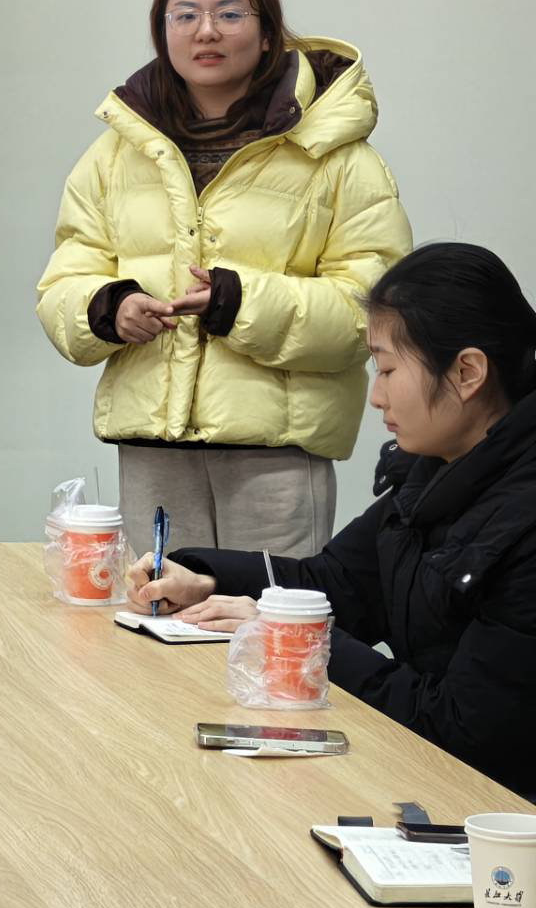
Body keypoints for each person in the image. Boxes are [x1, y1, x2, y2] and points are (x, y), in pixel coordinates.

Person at [36, 0, 411, 553]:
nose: (205, 31)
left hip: (277, 453)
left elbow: (371, 311)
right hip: (153, 446)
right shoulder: (114, 155)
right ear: (163, 31)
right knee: (157, 609)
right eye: (184, 15)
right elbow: (62, 284)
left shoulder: (338, 158)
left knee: (269, 612)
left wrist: (239, 304)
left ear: (267, 33)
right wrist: (109, 307)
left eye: (229, 13)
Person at [128, 243, 536, 797]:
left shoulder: (522, 520)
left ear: (467, 372)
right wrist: (204, 579)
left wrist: (294, 636)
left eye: (387, 369)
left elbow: (463, 732)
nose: (376, 396)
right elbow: (336, 582)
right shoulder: (435, 474)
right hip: (430, 774)